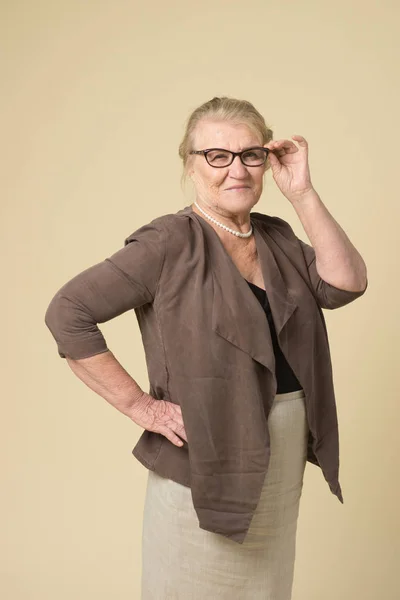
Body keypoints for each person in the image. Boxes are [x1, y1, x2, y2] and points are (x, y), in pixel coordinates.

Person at [44, 96, 368, 599]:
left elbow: (345, 283)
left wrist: (302, 193)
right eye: (217, 155)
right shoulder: (168, 242)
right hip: (208, 458)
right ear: (190, 163)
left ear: (267, 160)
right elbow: (68, 312)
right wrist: (139, 406)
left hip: (278, 456)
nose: (235, 168)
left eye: (250, 154)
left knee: (266, 591)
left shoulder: (276, 237)